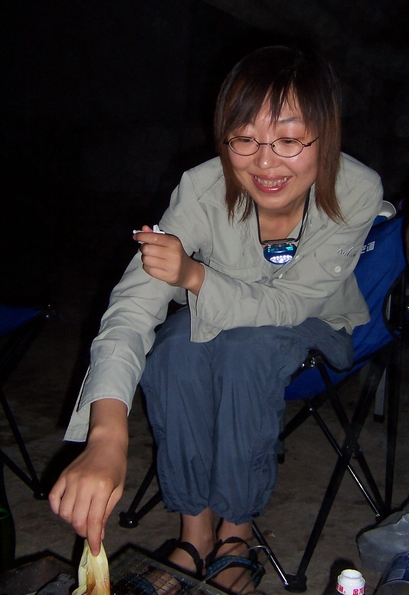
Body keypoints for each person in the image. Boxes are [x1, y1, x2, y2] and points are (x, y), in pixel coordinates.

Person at [49, 45, 383, 594]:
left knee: (246, 348)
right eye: (244, 138)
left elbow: (288, 306)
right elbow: (133, 304)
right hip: (215, 322)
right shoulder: (203, 188)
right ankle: (194, 532)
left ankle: (235, 532)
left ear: (325, 136)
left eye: (289, 140)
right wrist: (107, 434)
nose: (265, 163)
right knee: (175, 348)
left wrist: (195, 277)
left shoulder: (356, 190)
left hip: (316, 323)